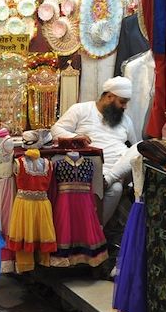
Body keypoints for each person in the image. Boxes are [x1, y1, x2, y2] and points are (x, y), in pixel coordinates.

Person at [51, 76, 139, 224]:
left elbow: (136, 145)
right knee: (116, 189)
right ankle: (95, 230)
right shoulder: (81, 109)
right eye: (122, 102)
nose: (125, 107)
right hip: (88, 166)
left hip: (115, 170)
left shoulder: (126, 121)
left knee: (140, 147)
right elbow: (56, 130)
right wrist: (76, 137)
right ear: (110, 96)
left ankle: (97, 229)